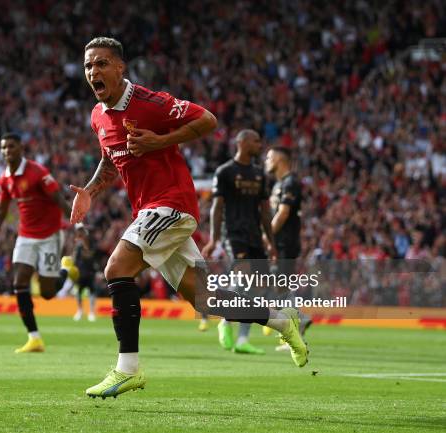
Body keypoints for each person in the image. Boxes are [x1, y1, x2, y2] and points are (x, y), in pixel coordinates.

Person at [70, 37, 308, 399]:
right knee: (206, 300)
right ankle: (281, 320)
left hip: (172, 205)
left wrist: (159, 141)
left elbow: (208, 120)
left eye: (101, 64)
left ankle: (127, 368)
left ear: (120, 68)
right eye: (88, 66)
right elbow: (109, 157)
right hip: (150, 209)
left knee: (116, 268)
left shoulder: (151, 102)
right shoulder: (98, 115)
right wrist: (90, 191)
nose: (93, 72)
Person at [0, 132, 74, 354]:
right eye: (4, 148)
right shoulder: (5, 178)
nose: (7, 151)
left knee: (47, 293)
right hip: (26, 235)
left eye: (11, 147)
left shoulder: (38, 172)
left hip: (49, 236)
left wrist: (78, 224)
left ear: (21, 148)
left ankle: (66, 270)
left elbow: (59, 199)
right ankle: (34, 338)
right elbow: (1, 210)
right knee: (19, 283)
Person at [201, 130, 276, 355]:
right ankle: (225, 319)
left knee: (257, 289)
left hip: (255, 236)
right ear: (241, 142)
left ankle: (243, 340)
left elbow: (265, 211)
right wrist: (214, 239)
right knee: (244, 280)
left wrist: (270, 241)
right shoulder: (225, 172)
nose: (259, 144)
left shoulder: (260, 174)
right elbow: (217, 207)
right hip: (234, 235)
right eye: (255, 140)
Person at [264, 146, 312, 348]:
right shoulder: (279, 184)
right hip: (280, 244)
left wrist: (267, 237)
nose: (266, 161)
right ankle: (299, 321)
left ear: (279, 160)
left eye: (269, 157)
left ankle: (297, 326)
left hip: (285, 243)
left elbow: (283, 213)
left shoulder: (291, 182)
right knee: (279, 287)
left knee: (278, 287)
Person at [71, 223, 98, 322]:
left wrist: (83, 245)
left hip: (90, 271)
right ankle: (80, 311)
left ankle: (91, 312)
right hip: (80, 272)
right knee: (78, 292)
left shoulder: (91, 242)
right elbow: (74, 259)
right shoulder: (78, 245)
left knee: (92, 292)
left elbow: (90, 255)